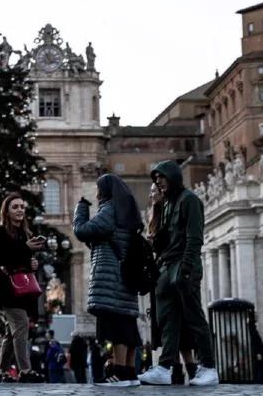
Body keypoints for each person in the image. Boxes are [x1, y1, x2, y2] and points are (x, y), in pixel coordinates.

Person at [138, 160, 218, 387]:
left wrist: (186, 269)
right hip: (166, 266)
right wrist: (156, 209)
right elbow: (162, 241)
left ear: (171, 177)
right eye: (155, 180)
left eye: (160, 179)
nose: (158, 183)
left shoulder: (190, 200)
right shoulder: (168, 204)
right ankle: (164, 367)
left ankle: (209, 367)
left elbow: (194, 238)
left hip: (183, 266)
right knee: (167, 320)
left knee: (194, 317)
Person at [74, 173, 144, 387]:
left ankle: (119, 373)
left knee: (116, 328)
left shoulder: (109, 209)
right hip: (125, 278)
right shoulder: (127, 211)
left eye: (97, 189)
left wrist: (81, 209)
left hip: (110, 279)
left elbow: (82, 231)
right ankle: (130, 372)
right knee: (128, 327)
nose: (95, 193)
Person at [0, 192, 46, 383]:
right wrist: (25, 248)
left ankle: (1, 371)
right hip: (7, 288)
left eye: (22, 207)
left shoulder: (25, 233)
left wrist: (33, 264)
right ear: (6, 211)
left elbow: (25, 258)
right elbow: (3, 257)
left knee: (11, 331)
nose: (20, 210)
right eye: (15, 207)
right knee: (21, 324)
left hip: (23, 289)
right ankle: (25, 370)